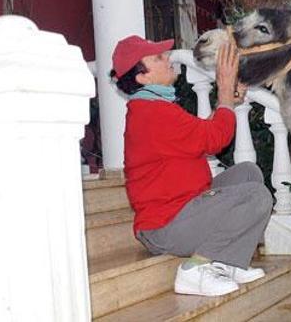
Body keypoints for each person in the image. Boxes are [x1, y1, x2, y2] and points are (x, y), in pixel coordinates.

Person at [109, 34, 273, 297]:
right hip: (165, 227)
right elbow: (215, 140)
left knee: (248, 174)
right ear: (142, 77)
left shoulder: (153, 107)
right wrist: (224, 94)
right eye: (159, 58)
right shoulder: (152, 113)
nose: (168, 58)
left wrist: (228, 101)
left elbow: (201, 136)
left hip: (184, 208)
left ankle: (227, 261)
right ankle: (194, 270)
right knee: (256, 196)